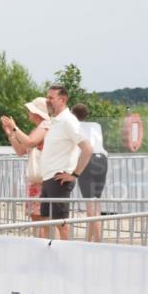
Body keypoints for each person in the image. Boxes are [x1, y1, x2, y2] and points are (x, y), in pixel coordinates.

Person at [36, 86, 93, 240]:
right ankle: (49, 251)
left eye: (51, 98)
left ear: (62, 100)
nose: (47, 101)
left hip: (58, 178)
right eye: (47, 97)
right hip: (49, 177)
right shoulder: (56, 121)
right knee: (45, 220)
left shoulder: (68, 121)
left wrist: (74, 175)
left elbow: (87, 148)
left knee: (61, 223)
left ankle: (67, 252)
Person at [1, 97, 51, 237]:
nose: (28, 112)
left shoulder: (45, 126)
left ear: (37, 113)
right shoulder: (39, 128)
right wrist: (11, 134)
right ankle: (41, 244)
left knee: (43, 218)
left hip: (42, 179)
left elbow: (29, 142)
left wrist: (14, 128)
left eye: (30, 110)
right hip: (37, 178)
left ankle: (44, 245)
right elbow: (21, 150)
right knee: (36, 217)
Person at [73, 103, 109, 242]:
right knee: (96, 202)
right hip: (102, 159)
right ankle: (90, 239)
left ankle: (97, 241)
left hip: (88, 160)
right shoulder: (96, 125)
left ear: (72, 114)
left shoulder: (74, 126)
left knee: (90, 204)